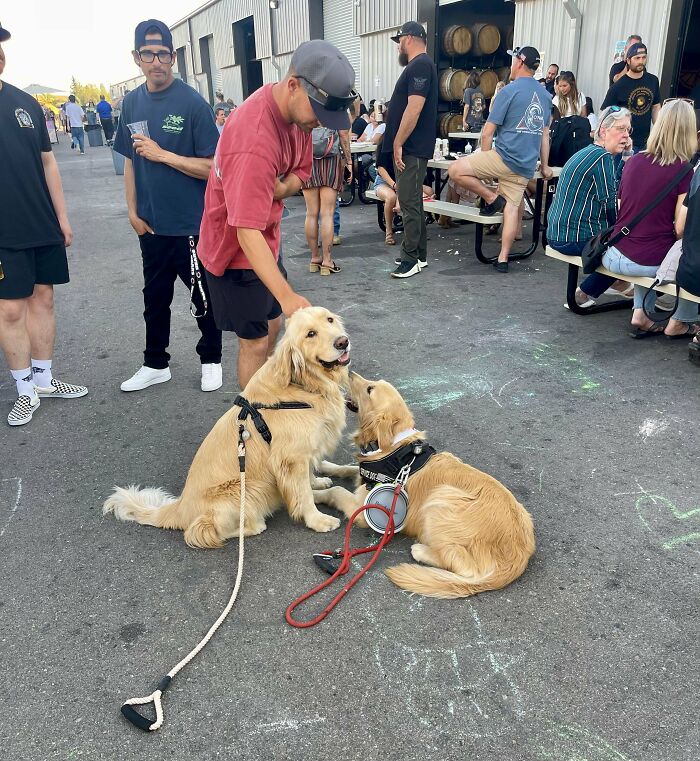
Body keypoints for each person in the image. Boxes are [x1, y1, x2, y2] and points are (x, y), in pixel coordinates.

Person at [197, 40, 356, 389]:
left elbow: (300, 171)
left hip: (266, 242)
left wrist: (279, 189)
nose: (319, 123)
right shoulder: (253, 139)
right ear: (294, 85)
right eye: (318, 112)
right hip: (236, 252)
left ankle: (271, 398)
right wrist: (288, 298)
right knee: (254, 343)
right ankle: (254, 424)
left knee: (271, 328)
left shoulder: (299, 121)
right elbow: (244, 231)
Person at [113, 19, 223, 393]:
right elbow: (130, 161)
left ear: (173, 57)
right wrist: (132, 212)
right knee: (154, 300)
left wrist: (164, 156)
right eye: (148, 53)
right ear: (136, 58)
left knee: (202, 297)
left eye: (163, 53)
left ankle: (211, 359)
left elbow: (213, 168)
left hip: (191, 226)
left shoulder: (192, 103)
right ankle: (155, 363)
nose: (156, 60)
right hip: (151, 226)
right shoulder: (131, 103)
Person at [0, 22, 87, 426]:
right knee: (11, 310)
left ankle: (45, 379)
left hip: (41, 224)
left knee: (44, 298)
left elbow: (47, 162)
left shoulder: (25, 104)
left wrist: (62, 218)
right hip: (4, 234)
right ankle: (23, 390)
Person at [448, 45, 553, 273]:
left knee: (455, 170)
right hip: (525, 164)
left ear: (519, 63)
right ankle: (503, 258)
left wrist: (484, 171)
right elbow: (544, 135)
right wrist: (544, 166)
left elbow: (487, 132)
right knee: (512, 208)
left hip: (503, 157)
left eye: (513, 60)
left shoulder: (508, 91)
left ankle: (491, 197)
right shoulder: (545, 96)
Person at [600, 99, 698, 338]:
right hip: (645, 261)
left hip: (614, 253)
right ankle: (681, 319)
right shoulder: (684, 170)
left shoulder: (634, 160)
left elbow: (622, 207)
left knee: (649, 241)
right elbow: (681, 228)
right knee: (689, 250)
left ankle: (640, 313)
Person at [547, 106, 634, 305]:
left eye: (628, 130)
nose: (625, 135)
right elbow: (611, 204)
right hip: (575, 236)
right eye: (620, 129)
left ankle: (617, 284)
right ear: (603, 131)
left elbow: (615, 183)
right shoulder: (602, 158)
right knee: (625, 252)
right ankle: (585, 293)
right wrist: (621, 232)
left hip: (556, 233)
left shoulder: (587, 152)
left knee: (621, 241)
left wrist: (627, 155)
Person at [383, 21, 438, 279]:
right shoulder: (421, 65)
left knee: (408, 203)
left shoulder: (420, 65)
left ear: (409, 38)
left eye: (399, 41)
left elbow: (414, 107)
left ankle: (410, 258)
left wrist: (397, 141)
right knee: (412, 201)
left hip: (411, 147)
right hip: (412, 146)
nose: (398, 47)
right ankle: (420, 256)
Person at [302, 123, 352, 276]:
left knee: (311, 213)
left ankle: (314, 258)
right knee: (327, 214)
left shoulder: (305, 103)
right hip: (331, 160)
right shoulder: (336, 107)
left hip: (307, 160)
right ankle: (327, 261)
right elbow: (343, 135)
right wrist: (348, 161)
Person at [601, 42, 660, 153]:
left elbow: (656, 107)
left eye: (643, 57)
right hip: (623, 143)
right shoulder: (618, 86)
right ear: (628, 60)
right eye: (637, 58)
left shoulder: (653, 80)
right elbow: (604, 113)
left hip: (646, 143)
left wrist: (659, 131)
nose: (641, 61)